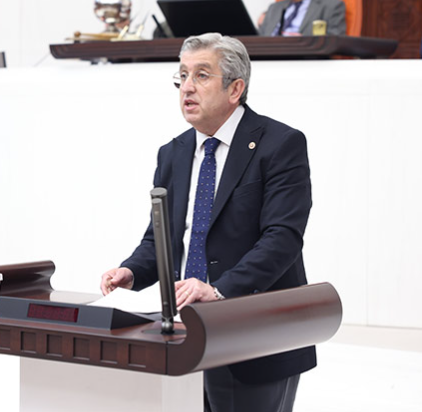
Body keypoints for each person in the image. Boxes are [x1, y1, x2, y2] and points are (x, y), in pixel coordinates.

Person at [100, 33, 313, 412]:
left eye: (201, 75)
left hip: (255, 339)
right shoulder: (173, 152)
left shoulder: (280, 144)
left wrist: (219, 291)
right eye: (182, 76)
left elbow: (282, 239)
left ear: (235, 89)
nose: (187, 87)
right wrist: (131, 272)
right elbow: (161, 239)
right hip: (184, 334)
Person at [259, 0, 346, 36]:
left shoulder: (331, 6)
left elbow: (335, 41)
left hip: (306, 62)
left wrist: (304, 41)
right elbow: (260, 39)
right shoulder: (274, 8)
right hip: (267, 61)